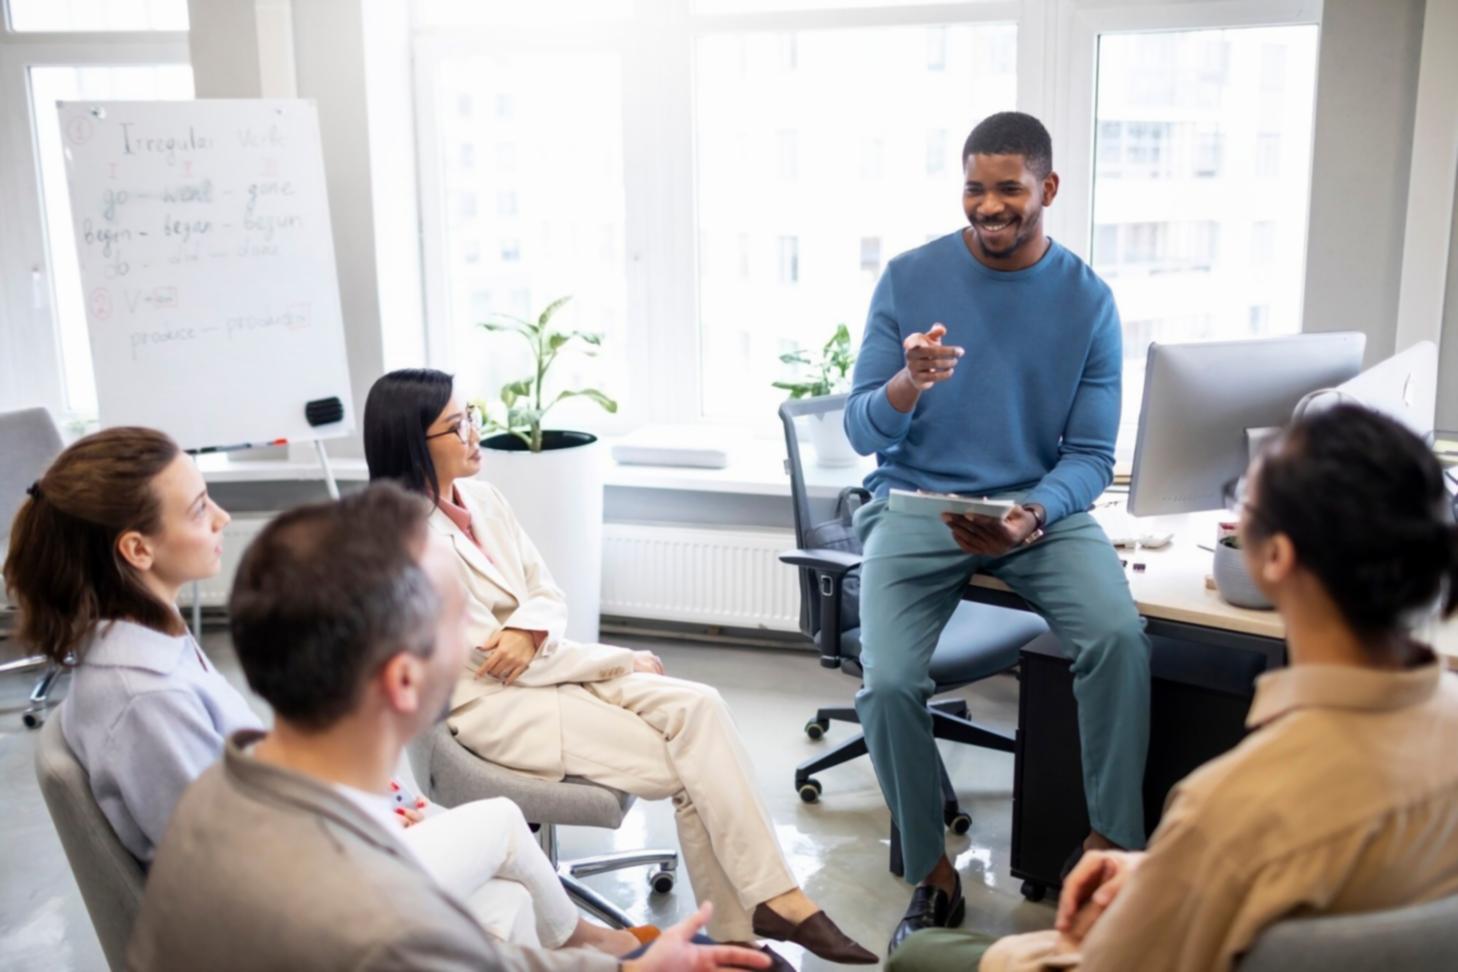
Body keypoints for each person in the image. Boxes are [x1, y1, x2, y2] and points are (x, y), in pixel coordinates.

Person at [2, 427, 641, 955]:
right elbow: (232, 868)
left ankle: (582, 951)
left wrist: (363, 802)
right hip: (288, 914)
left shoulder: (144, 643)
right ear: (137, 549)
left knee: (507, 899)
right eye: (199, 509)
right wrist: (359, 821)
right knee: (500, 828)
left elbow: (242, 792)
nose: (222, 517)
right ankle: (594, 947)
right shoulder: (146, 698)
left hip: (303, 859)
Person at [889, 404, 1458, 972]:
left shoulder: (1224, 810)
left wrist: (1012, 954)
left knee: (921, 956)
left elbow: (1106, 964)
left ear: (1275, 557)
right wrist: (1161, 875)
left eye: (1244, 501)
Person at [128, 483, 773, 972]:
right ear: (405, 679)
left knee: (511, 905)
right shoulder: (378, 925)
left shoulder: (227, 785)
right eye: (459, 621)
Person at [362, 368, 876, 963]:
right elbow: (496, 662)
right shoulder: (406, 541)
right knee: (699, 766)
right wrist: (618, 659)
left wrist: (529, 629)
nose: (475, 433)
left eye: (471, 416)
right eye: (457, 426)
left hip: (551, 670)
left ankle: (758, 918)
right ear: (411, 444)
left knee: (702, 706)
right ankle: (750, 927)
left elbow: (547, 594)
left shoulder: (484, 499)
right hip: (499, 708)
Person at [843, 110, 1150, 952]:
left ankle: (1110, 844)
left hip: (1035, 510)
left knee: (1118, 638)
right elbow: (862, 431)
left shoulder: (1088, 301)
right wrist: (908, 382)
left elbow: (1090, 456)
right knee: (889, 682)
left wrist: (1034, 513)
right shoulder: (909, 279)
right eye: (974, 188)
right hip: (918, 505)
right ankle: (929, 871)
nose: (989, 205)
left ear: (1047, 188)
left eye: (1008, 188)